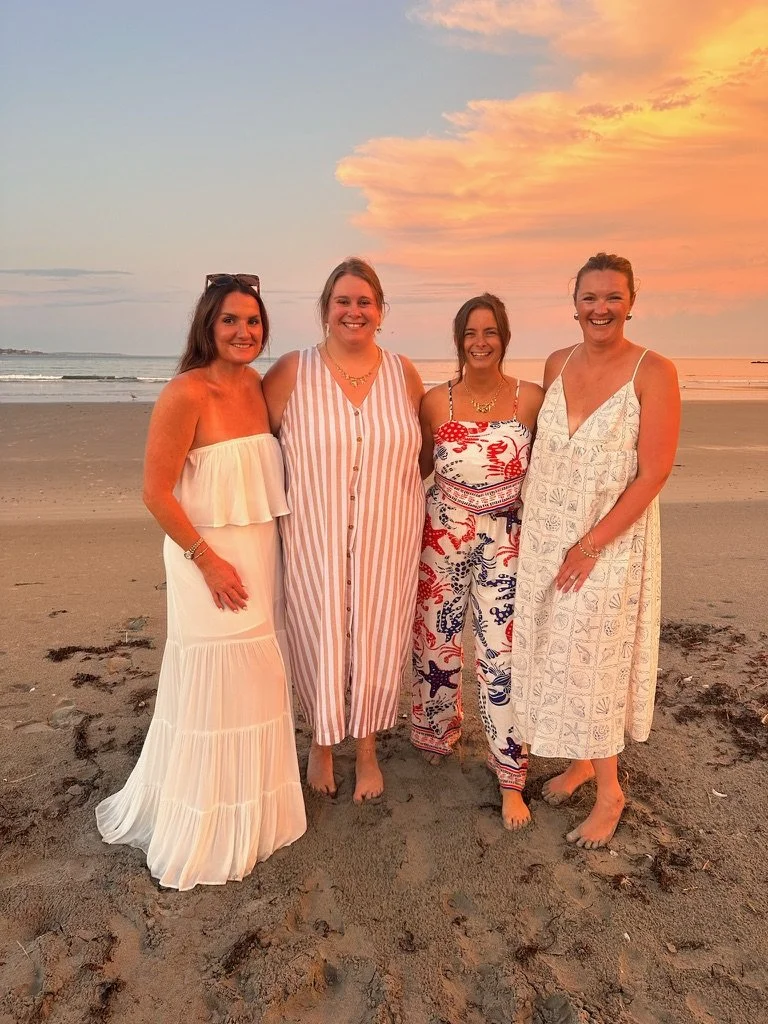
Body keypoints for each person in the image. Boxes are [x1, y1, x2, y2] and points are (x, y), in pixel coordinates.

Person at [96, 274, 306, 889]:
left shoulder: (261, 389)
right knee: (214, 681)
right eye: (230, 321)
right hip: (206, 560)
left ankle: (258, 811)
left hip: (261, 553)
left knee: (260, 677)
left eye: (253, 321)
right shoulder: (185, 393)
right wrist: (207, 560)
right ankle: (207, 818)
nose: (244, 332)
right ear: (208, 327)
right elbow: (154, 493)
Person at [509, 252, 680, 848]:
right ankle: (583, 763)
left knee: (594, 658)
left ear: (631, 302)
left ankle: (610, 791)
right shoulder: (556, 364)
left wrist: (589, 546)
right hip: (546, 534)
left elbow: (654, 472)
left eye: (612, 297)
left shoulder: (653, 371)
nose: (600, 308)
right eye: (590, 297)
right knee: (555, 649)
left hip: (609, 541)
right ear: (573, 302)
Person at [263, 258, 424, 803]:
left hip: (387, 540)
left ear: (380, 311)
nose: (353, 311)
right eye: (343, 301)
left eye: (364, 302)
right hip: (316, 541)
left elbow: (422, 453)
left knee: (379, 641)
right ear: (325, 309)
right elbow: (257, 449)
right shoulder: (291, 371)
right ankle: (322, 744)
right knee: (319, 635)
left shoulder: (404, 374)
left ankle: (369, 749)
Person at [412, 294, 544, 830]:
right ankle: (436, 732)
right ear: (459, 340)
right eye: (470, 333)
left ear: (504, 337)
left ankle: (510, 773)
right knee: (435, 640)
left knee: (502, 655)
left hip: (506, 538)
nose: (480, 341)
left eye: (490, 332)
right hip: (442, 531)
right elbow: (411, 471)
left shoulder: (531, 399)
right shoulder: (433, 402)